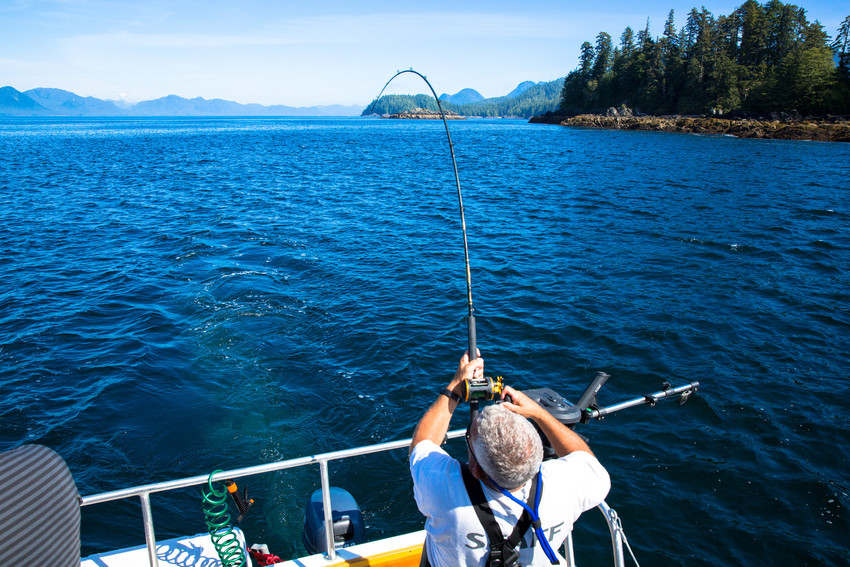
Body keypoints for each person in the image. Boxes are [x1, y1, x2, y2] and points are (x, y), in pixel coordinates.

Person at [410, 351, 610, 566]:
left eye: (470, 437)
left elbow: (423, 444)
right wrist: (540, 414)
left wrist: (455, 388)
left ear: (476, 470)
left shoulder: (443, 489)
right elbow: (583, 457)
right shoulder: (566, 485)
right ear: (537, 455)